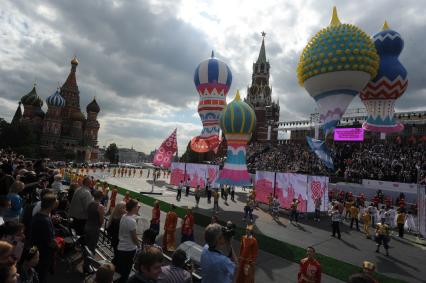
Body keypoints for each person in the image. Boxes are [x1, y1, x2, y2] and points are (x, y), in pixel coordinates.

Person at [31, 194, 58, 283]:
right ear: (52, 205)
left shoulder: (37, 216)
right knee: (42, 276)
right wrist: (57, 246)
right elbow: (51, 242)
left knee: (36, 273)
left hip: (36, 249)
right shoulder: (45, 221)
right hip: (44, 253)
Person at [114, 199, 141, 283]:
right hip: (128, 250)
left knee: (119, 271)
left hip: (121, 247)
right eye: (137, 207)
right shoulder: (131, 221)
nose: (138, 208)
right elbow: (134, 237)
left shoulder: (124, 216)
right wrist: (139, 245)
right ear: (133, 208)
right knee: (125, 273)